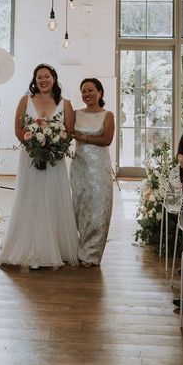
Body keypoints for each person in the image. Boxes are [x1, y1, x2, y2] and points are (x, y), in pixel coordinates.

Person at [0, 64, 79, 269]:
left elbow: (69, 132)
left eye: (47, 76)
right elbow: (18, 128)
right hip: (30, 156)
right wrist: (33, 147)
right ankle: (30, 246)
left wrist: (54, 146)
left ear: (54, 78)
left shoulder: (65, 104)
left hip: (55, 159)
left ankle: (55, 247)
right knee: (30, 197)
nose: (43, 80)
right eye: (39, 77)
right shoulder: (25, 100)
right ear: (34, 80)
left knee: (53, 197)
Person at [70, 78, 115, 267]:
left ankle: (92, 254)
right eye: (83, 91)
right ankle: (78, 247)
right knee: (80, 208)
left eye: (90, 90)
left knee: (98, 209)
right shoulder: (75, 113)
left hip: (99, 169)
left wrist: (84, 137)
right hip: (79, 167)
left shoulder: (107, 115)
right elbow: (67, 133)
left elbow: (107, 139)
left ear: (100, 93)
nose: (86, 94)